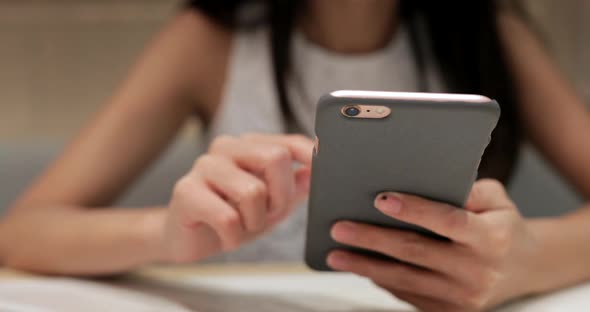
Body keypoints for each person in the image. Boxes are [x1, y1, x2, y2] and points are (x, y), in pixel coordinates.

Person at [0, 1, 589, 310]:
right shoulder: (211, 38)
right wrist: (167, 233)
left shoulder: (487, 33)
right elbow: (21, 233)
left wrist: (533, 258)